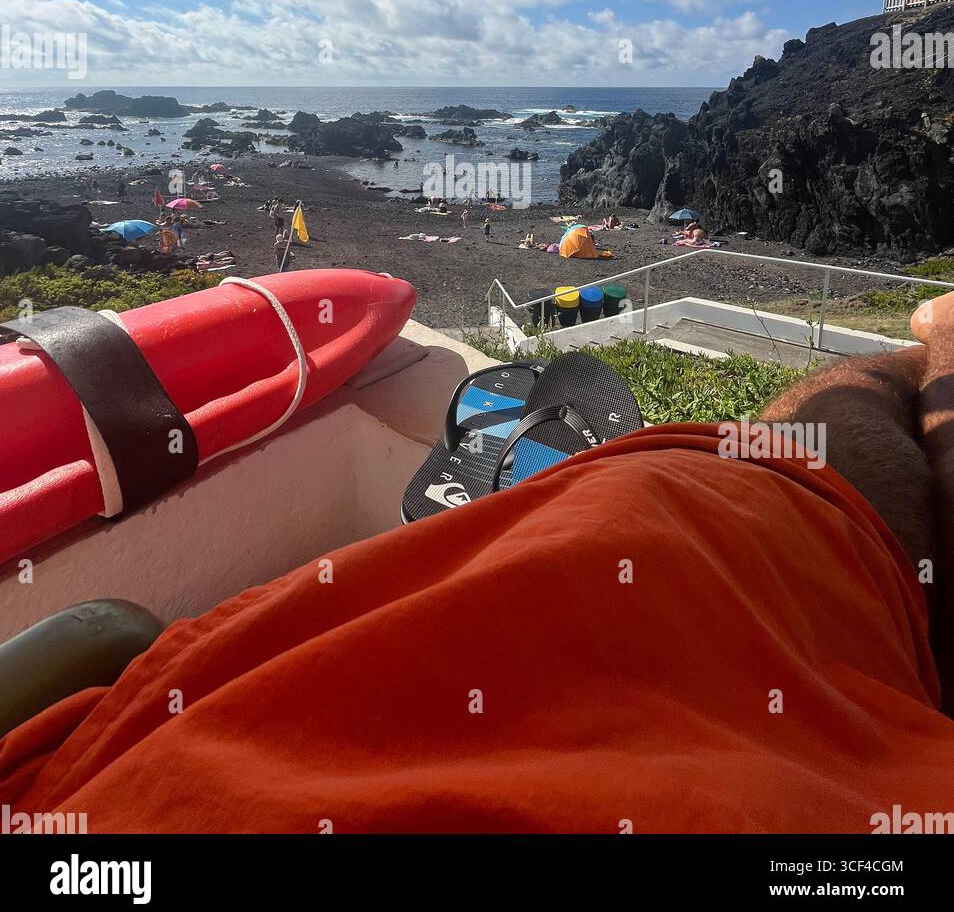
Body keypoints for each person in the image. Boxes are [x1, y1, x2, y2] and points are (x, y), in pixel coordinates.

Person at [7, 294, 954, 833]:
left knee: (819, 440)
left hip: (663, 527)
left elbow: (105, 641)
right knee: (846, 423)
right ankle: (937, 345)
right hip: (717, 538)